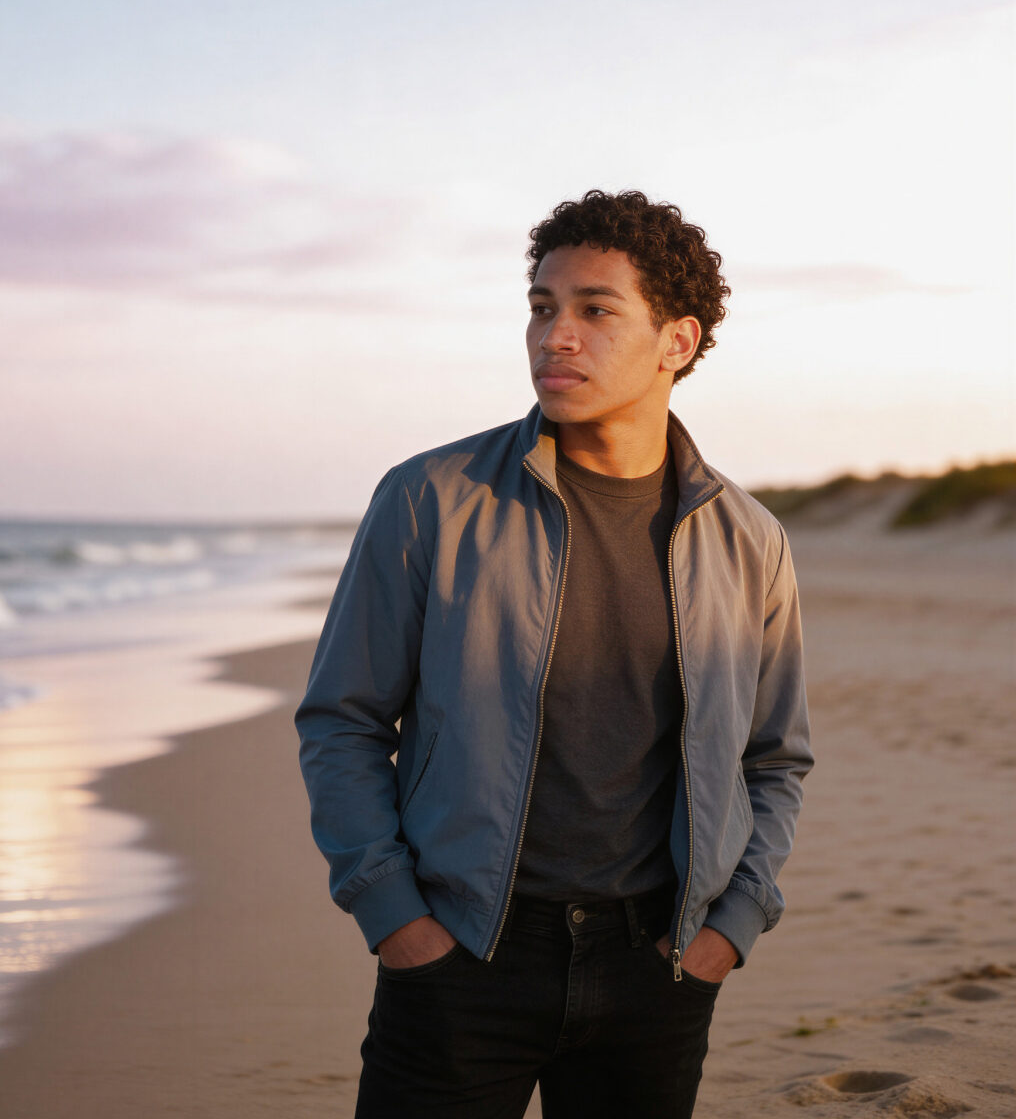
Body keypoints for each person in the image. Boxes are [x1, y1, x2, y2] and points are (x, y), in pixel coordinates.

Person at [295, 189, 813, 1118]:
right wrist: (395, 918)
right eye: (542, 307)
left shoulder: (750, 541)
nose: (555, 336)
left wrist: (727, 929)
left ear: (677, 342)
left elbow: (773, 760)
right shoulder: (430, 499)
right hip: (460, 956)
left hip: (657, 969)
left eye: (594, 310)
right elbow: (344, 719)